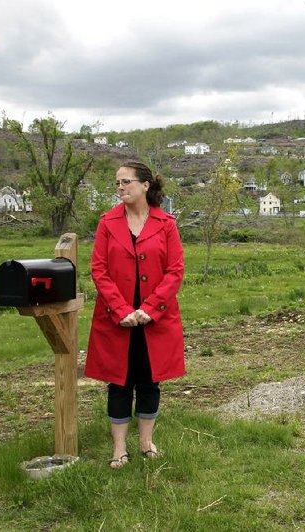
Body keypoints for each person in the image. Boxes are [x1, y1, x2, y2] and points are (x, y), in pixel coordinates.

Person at [84, 161, 185, 469]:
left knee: (150, 381)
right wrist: (122, 310)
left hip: (155, 320)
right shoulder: (107, 223)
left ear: (145, 185)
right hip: (118, 320)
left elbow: (175, 270)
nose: (120, 187)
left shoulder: (166, 223)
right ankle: (118, 449)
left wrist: (149, 309)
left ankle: (145, 443)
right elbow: (99, 270)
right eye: (117, 183)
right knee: (119, 382)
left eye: (126, 182)